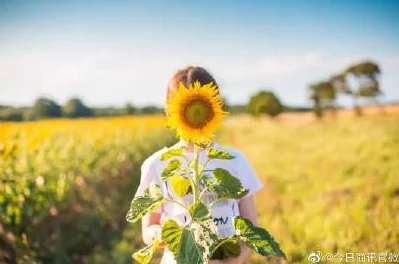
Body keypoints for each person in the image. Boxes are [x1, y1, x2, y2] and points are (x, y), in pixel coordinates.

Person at [135, 66, 264, 264]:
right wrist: (171, 236)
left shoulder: (235, 161)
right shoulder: (157, 164)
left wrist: (230, 263)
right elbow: (148, 229)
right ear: (170, 112)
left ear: (215, 107)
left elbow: (252, 229)